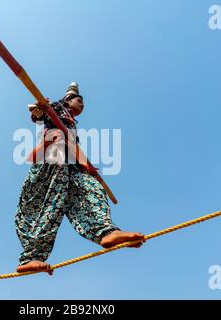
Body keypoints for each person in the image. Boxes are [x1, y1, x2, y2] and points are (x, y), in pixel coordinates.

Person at [14, 82, 145, 275]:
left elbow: (74, 148)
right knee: (49, 206)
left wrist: (87, 166)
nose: (82, 104)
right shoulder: (57, 109)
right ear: (67, 101)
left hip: (71, 166)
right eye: (79, 100)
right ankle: (31, 257)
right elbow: (37, 115)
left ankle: (106, 232)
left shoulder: (71, 124)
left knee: (91, 189)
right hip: (52, 159)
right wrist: (42, 108)